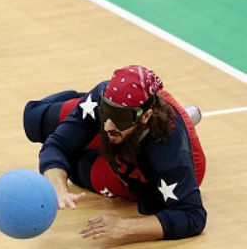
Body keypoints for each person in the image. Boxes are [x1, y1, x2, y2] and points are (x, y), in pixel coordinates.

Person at [23, 65, 206, 243]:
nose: (108, 125)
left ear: (145, 116)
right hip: (125, 137)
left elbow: (193, 215)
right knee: (32, 118)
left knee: (76, 168)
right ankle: (82, 106)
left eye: (119, 116)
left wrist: (125, 227)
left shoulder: (169, 154)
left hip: (147, 177)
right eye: (106, 111)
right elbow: (57, 145)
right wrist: (59, 189)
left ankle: (184, 120)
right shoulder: (103, 104)